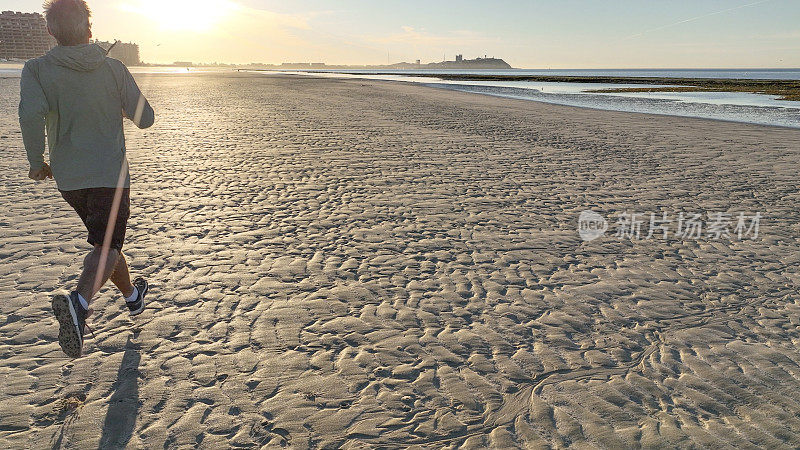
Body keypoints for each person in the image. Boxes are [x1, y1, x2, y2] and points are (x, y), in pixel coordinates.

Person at [19, 0, 155, 358]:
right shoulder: (112, 69)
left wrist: (37, 161)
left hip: (69, 179)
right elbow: (146, 118)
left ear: (50, 30)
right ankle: (79, 303)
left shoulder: (36, 69)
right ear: (90, 29)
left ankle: (133, 298)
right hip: (110, 175)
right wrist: (122, 107)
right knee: (106, 246)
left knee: (105, 243)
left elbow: (30, 116)